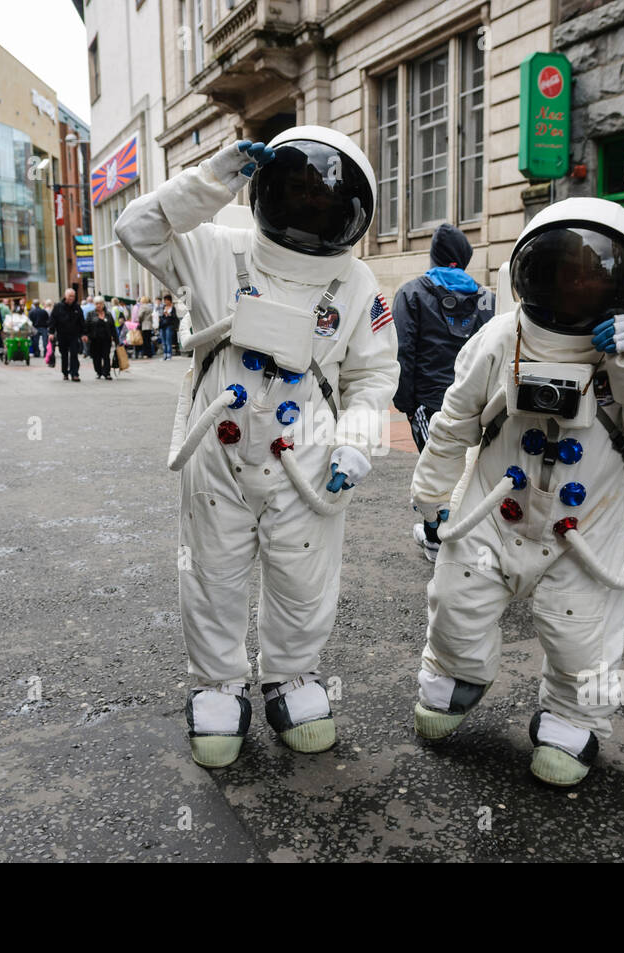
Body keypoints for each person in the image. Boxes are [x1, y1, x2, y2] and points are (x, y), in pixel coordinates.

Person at [116, 128, 399, 769]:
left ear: (352, 210)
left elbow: (375, 376)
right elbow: (136, 230)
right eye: (295, 190)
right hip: (219, 445)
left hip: (309, 455)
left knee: (304, 575)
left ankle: (293, 677)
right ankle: (218, 685)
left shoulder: (357, 286)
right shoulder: (217, 250)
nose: (309, 205)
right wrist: (208, 183)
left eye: (322, 197)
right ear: (265, 189)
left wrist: (358, 441)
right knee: (212, 573)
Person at [408, 197, 624, 786]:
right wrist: (432, 497)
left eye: (591, 274)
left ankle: (573, 718)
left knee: (579, 630)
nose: (574, 284)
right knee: (456, 605)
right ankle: (458, 676)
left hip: (586, 521)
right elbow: (455, 419)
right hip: (495, 507)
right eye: (562, 270)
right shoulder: (499, 337)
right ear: (531, 272)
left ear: (622, 282)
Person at [392, 223, 493, 561]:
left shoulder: (411, 293)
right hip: (476, 401)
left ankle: (437, 537)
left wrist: (405, 402)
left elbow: (403, 350)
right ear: (464, 258)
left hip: (429, 401)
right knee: (473, 467)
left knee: (435, 466)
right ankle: (468, 533)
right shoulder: (486, 297)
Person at [48, 288, 85, 381]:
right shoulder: (58, 307)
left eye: (73, 296)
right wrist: (51, 332)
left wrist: (84, 334)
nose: (71, 298)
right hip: (62, 334)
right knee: (64, 354)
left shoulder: (77, 307)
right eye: (70, 296)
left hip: (74, 335)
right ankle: (65, 372)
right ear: (65, 296)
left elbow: (82, 321)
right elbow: (52, 320)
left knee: (74, 354)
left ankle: (74, 374)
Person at [85, 295, 118, 379]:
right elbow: (86, 326)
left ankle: (107, 373)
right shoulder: (90, 314)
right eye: (96, 304)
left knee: (106, 356)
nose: (98, 305)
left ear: (103, 304)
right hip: (94, 339)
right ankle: (98, 372)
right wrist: (85, 335)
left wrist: (116, 339)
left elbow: (112, 327)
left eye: (100, 303)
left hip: (106, 339)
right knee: (96, 357)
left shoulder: (108, 314)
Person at [157, 293, 179, 359]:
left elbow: (174, 317)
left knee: (168, 341)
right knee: (163, 341)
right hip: (163, 325)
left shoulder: (173, 308)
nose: (165, 302)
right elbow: (160, 314)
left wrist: (168, 314)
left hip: (169, 325)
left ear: (170, 300)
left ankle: (169, 354)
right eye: (165, 300)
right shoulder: (163, 307)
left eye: (166, 300)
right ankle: (165, 354)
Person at [139, 293, 156, 358]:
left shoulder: (143, 307)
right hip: (149, 324)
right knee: (149, 340)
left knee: (145, 340)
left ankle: (146, 353)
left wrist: (139, 319)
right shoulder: (150, 306)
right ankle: (150, 353)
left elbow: (140, 315)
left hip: (144, 325)